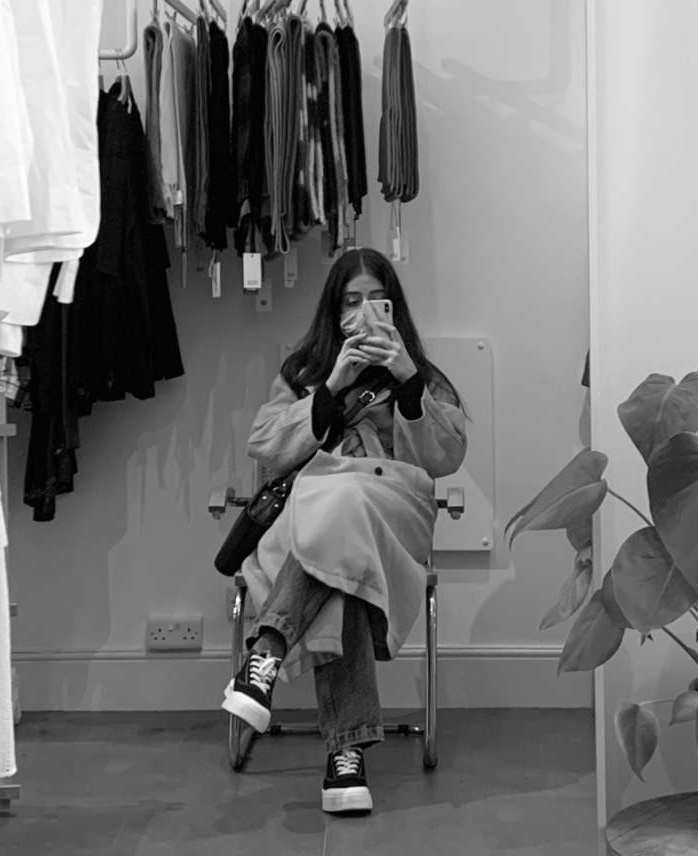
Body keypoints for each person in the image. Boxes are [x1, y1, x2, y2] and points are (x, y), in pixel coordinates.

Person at [221, 248, 467, 815]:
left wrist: (406, 380)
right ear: (334, 312)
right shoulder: (305, 373)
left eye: (373, 301)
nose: (362, 313)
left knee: (351, 501)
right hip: (313, 522)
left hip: (390, 518)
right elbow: (266, 445)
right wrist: (330, 388)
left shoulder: (421, 377)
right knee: (341, 560)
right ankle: (346, 756)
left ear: (393, 307)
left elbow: (445, 457)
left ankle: (267, 651)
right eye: (349, 302)